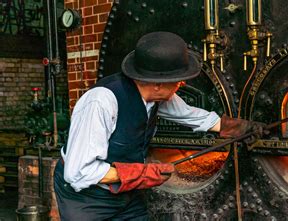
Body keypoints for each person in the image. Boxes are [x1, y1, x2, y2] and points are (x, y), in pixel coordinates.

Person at [53, 31, 262, 220]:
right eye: (178, 80)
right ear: (156, 83)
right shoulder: (101, 102)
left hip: (126, 195)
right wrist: (141, 174)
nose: (183, 84)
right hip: (88, 199)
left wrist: (241, 128)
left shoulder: (156, 97)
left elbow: (191, 116)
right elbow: (79, 172)